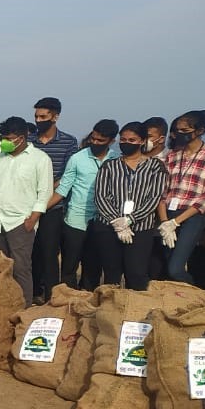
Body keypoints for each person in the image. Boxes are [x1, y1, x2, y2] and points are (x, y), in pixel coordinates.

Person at [0, 117, 51, 305]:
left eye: (10, 139)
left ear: (22, 137)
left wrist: (32, 219)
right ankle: (2, 305)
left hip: (21, 222)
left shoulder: (40, 159)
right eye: (4, 138)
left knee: (21, 268)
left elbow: (44, 193)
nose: (5, 142)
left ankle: (23, 307)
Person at [93, 122, 168, 291]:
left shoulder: (156, 167)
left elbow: (153, 198)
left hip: (141, 228)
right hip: (110, 227)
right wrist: (118, 222)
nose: (126, 143)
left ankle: (135, 312)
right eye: (124, 139)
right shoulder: (109, 166)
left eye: (132, 140)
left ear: (142, 141)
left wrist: (130, 220)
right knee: (111, 274)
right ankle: (110, 312)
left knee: (136, 273)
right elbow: (101, 196)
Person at [50, 120, 118, 291]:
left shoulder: (116, 160)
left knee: (93, 266)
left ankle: (88, 301)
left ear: (111, 141)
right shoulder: (77, 158)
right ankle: (67, 302)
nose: (95, 143)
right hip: (76, 219)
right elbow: (63, 188)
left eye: (100, 141)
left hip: (103, 221)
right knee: (69, 266)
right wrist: (39, 210)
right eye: (93, 139)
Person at [29, 97, 77, 303]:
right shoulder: (29, 140)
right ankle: (32, 293)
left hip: (53, 207)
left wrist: (45, 194)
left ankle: (51, 297)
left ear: (55, 116)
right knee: (31, 254)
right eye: (36, 116)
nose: (39, 120)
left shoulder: (68, 142)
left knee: (49, 253)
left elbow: (66, 177)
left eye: (43, 116)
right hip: (28, 206)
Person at [160, 110, 205, 284]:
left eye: (185, 130)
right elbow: (162, 192)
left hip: (192, 215)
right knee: (166, 265)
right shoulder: (172, 156)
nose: (180, 134)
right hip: (169, 213)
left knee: (176, 268)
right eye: (178, 130)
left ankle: (196, 295)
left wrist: (176, 222)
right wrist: (166, 221)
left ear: (200, 130)